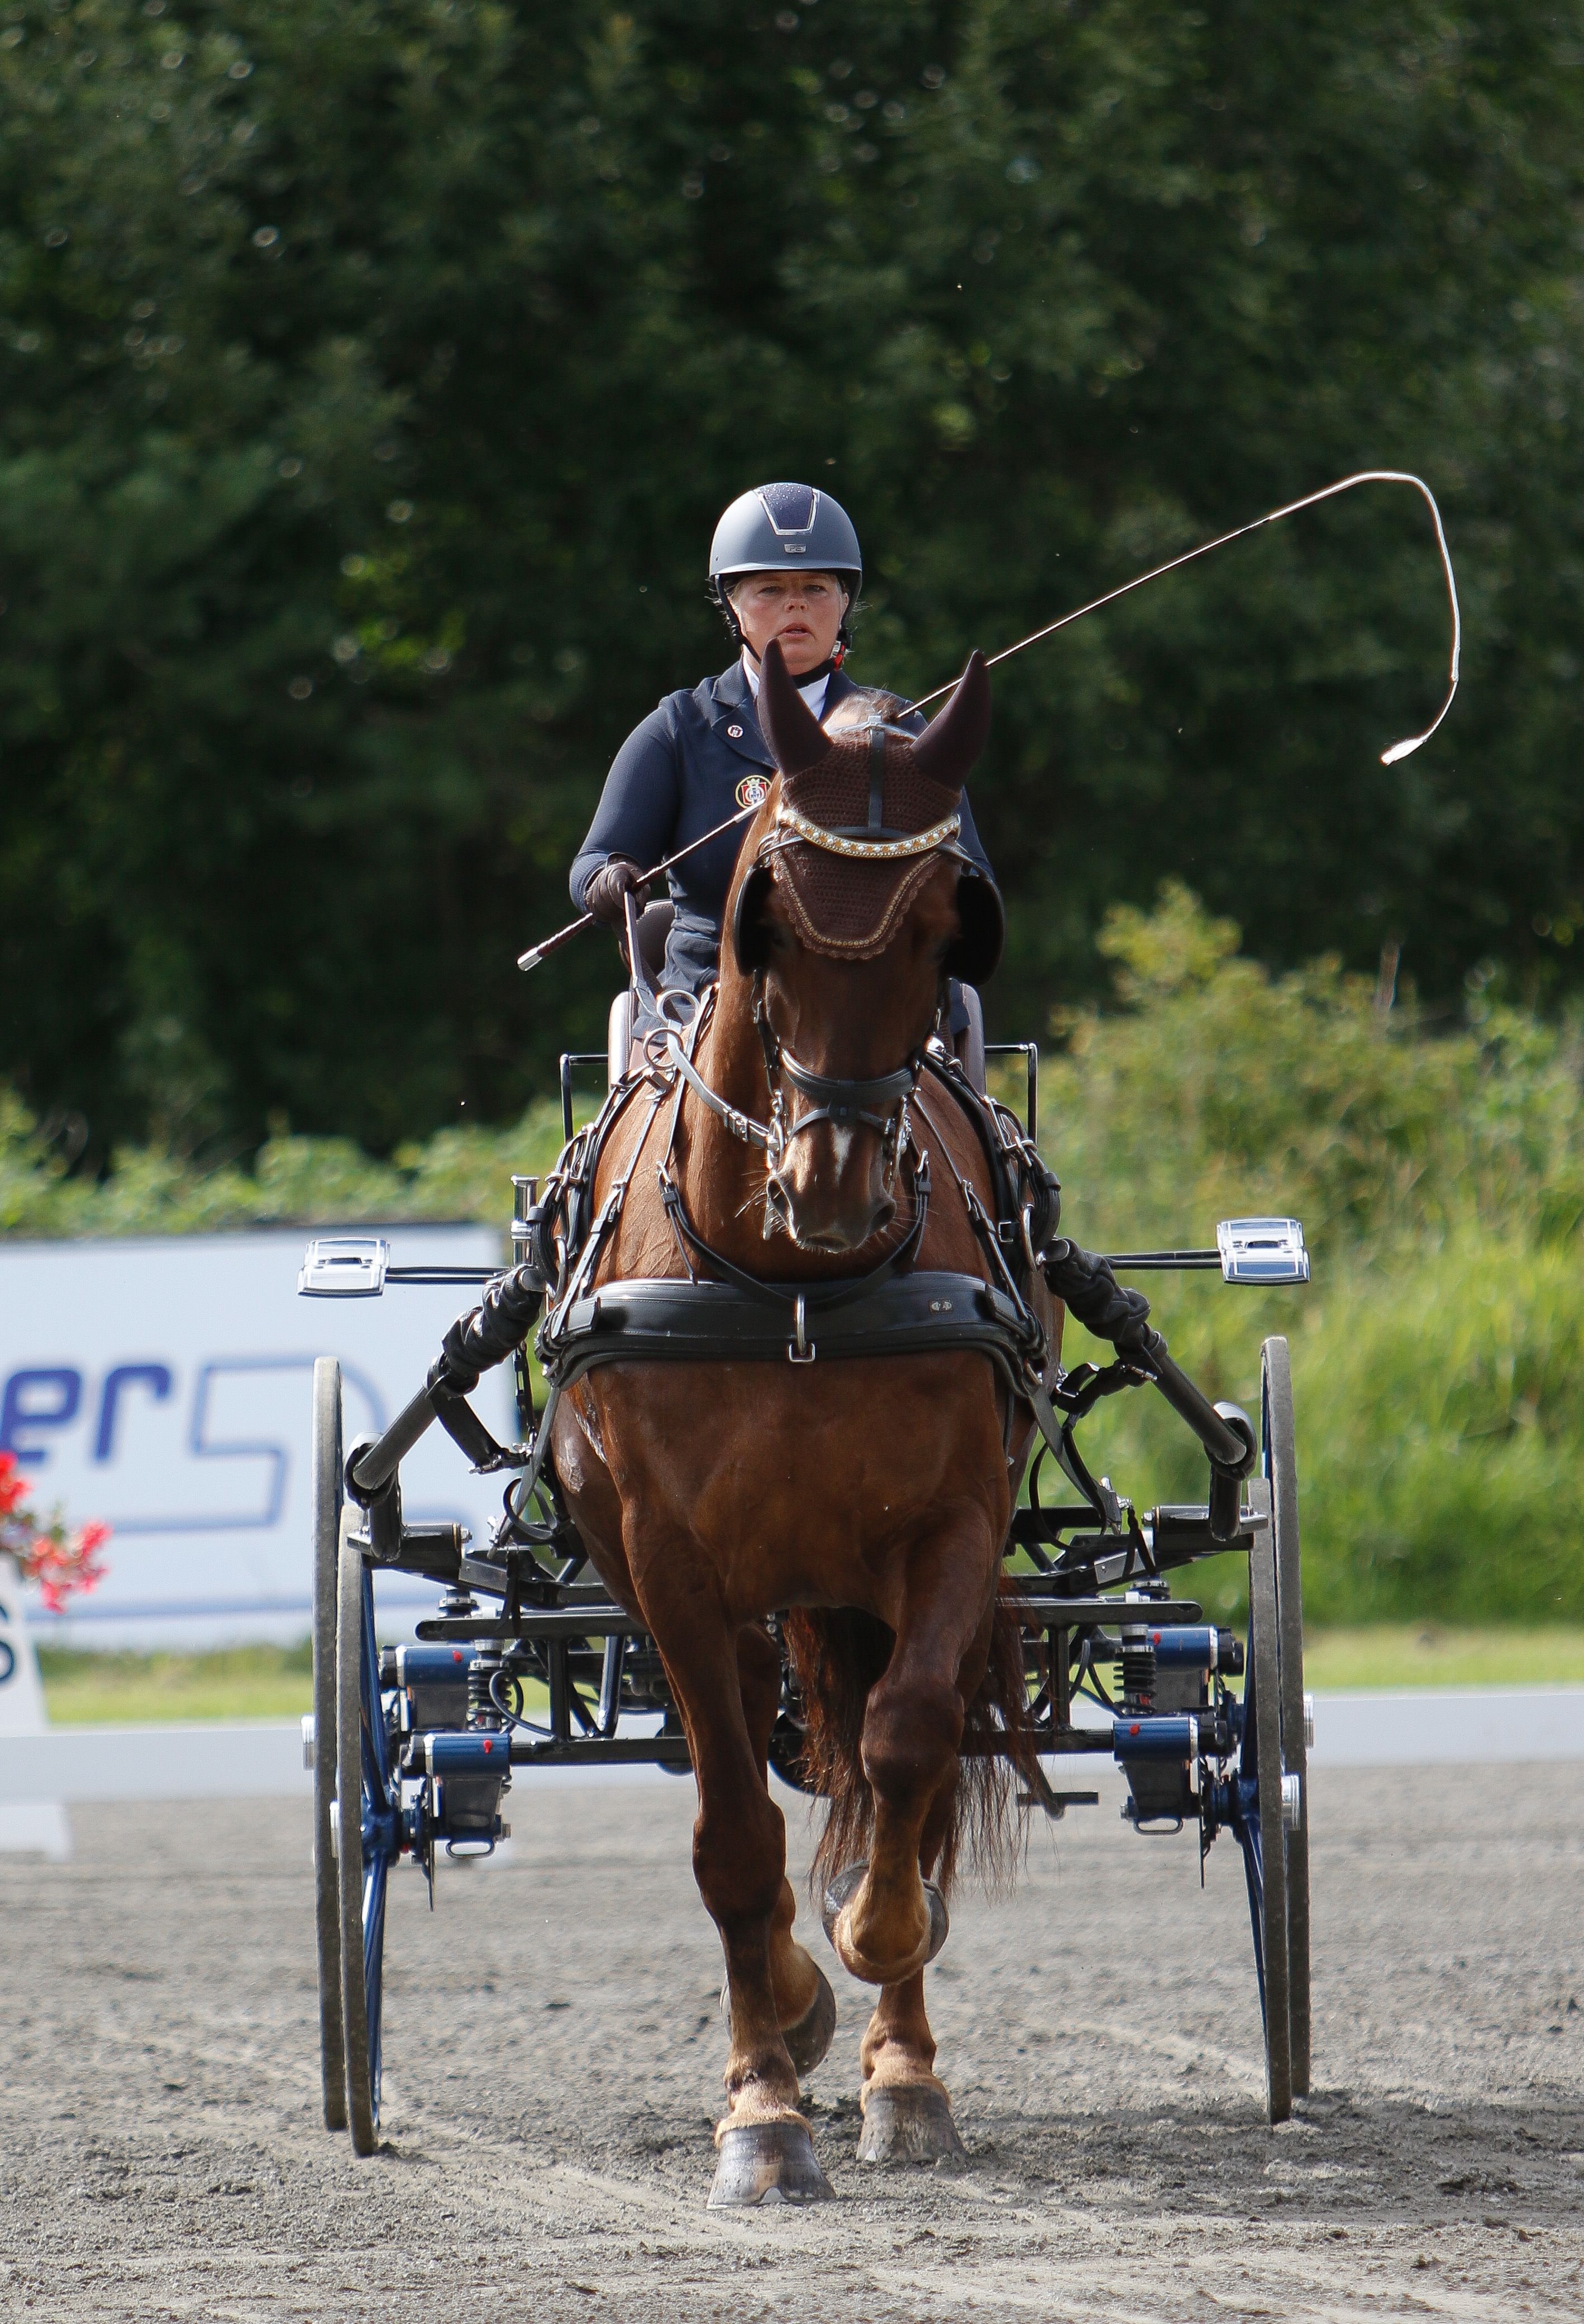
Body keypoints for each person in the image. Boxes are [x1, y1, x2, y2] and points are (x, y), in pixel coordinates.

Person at [570, 482, 996, 996]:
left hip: (879, 1006)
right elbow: (594, 861)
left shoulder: (902, 732)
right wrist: (611, 878)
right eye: (770, 589)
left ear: (844, 602)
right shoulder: (680, 728)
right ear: (732, 602)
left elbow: (973, 873)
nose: (795, 606)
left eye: (815, 588)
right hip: (711, 993)